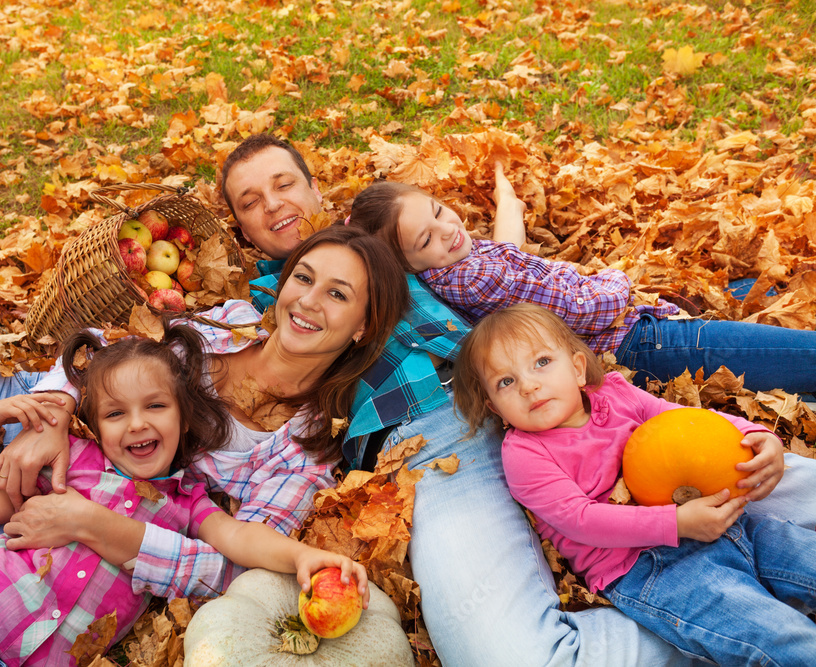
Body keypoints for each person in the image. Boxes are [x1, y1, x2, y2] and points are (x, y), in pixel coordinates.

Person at [218, 134, 816, 665]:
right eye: (250, 202)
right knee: (501, 655)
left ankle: (745, 600)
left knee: (764, 473)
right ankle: (723, 620)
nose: (273, 204)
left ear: (315, 187)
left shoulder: (394, 235)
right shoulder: (262, 305)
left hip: (547, 392)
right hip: (434, 442)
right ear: (240, 230)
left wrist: (510, 211)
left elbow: (499, 264)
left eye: (283, 183)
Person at [0, 225, 404, 645]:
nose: (307, 300)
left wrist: (91, 524)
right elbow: (105, 346)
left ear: (363, 328)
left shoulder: (304, 452)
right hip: (1, 410)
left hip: (22, 524)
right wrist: (51, 414)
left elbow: (227, 570)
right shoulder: (228, 321)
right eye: (304, 276)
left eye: (338, 294)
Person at [0, 325, 368, 667]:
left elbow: (238, 537)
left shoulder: (187, 501)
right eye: (116, 413)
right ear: (95, 425)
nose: (138, 423)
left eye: (155, 406)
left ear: (184, 416)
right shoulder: (77, 462)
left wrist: (303, 555)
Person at [452, 302, 816, 664]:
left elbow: (687, 420)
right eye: (506, 382)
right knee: (775, 635)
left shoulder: (616, 394)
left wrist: (755, 435)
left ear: (578, 369)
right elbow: (581, 519)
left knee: (806, 558)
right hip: (650, 568)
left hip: (729, 526)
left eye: (542, 362)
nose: (529, 386)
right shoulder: (525, 455)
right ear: (496, 409)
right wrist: (675, 523)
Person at [348, 173, 816, 394]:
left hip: (632, 324)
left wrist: (507, 201)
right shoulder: (472, 278)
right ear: (407, 264)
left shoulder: (459, 262)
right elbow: (579, 310)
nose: (448, 229)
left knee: (760, 294)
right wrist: (617, 281)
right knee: (795, 354)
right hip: (633, 340)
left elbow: (508, 254)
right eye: (426, 238)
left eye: (436, 210)